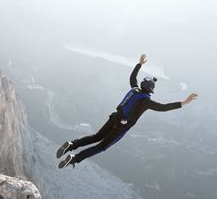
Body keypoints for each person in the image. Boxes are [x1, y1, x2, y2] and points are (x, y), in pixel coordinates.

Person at [57, 53, 198, 169]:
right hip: (121, 126)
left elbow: (132, 78)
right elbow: (164, 107)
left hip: (114, 117)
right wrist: (184, 102)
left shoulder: (134, 89)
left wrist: (139, 64)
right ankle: (75, 158)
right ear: (150, 90)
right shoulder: (146, 101)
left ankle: (71, 145)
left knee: (96, 137)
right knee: (102, 146)